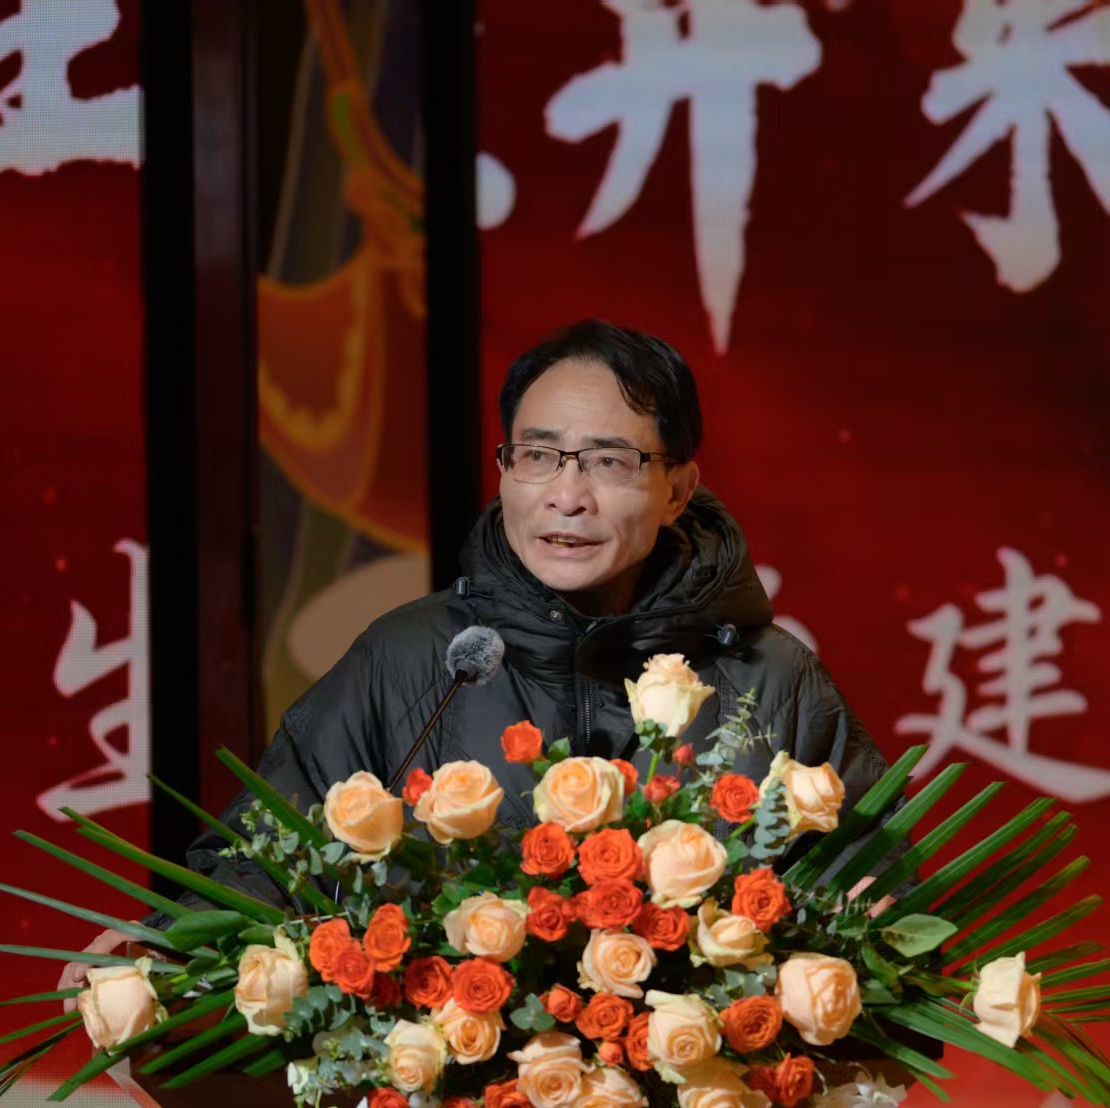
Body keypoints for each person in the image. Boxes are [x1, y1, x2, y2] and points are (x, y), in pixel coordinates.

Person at [63, 319, 885, 987]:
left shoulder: (769, 678)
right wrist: (169, 949)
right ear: (504, 469)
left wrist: (867, 935)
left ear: (676, 488)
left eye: (609, 461)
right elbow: (267, 861)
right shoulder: (413, 658)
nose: (566, 495)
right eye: (537, 456)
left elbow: (873, 901)